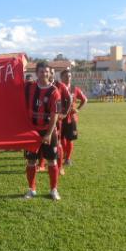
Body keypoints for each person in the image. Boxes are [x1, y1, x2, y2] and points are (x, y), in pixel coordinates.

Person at [24, 61, 62, 200]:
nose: (44, 74)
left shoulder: (54, 92)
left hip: (48, 132)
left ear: (50, 73)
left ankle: (53, 190)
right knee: (31, 162)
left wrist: (48, 134)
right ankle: (31, 189)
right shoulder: (29, 88)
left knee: (52, 161)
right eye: (41, 71)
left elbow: (55, 115)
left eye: (46, 71)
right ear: (36, 73)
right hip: (32, 132)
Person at [59, 69, 87, 167]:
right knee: (61, 139)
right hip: (60, 118)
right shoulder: (58, 88)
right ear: (61, 77)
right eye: (66, 76)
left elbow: (84, 100)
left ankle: (68, 158)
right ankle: (63, 155)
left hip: (71, 118)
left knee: (70, 139)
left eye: (70, 76)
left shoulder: (75, 89)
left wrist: (78, 109)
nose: (68, 78)